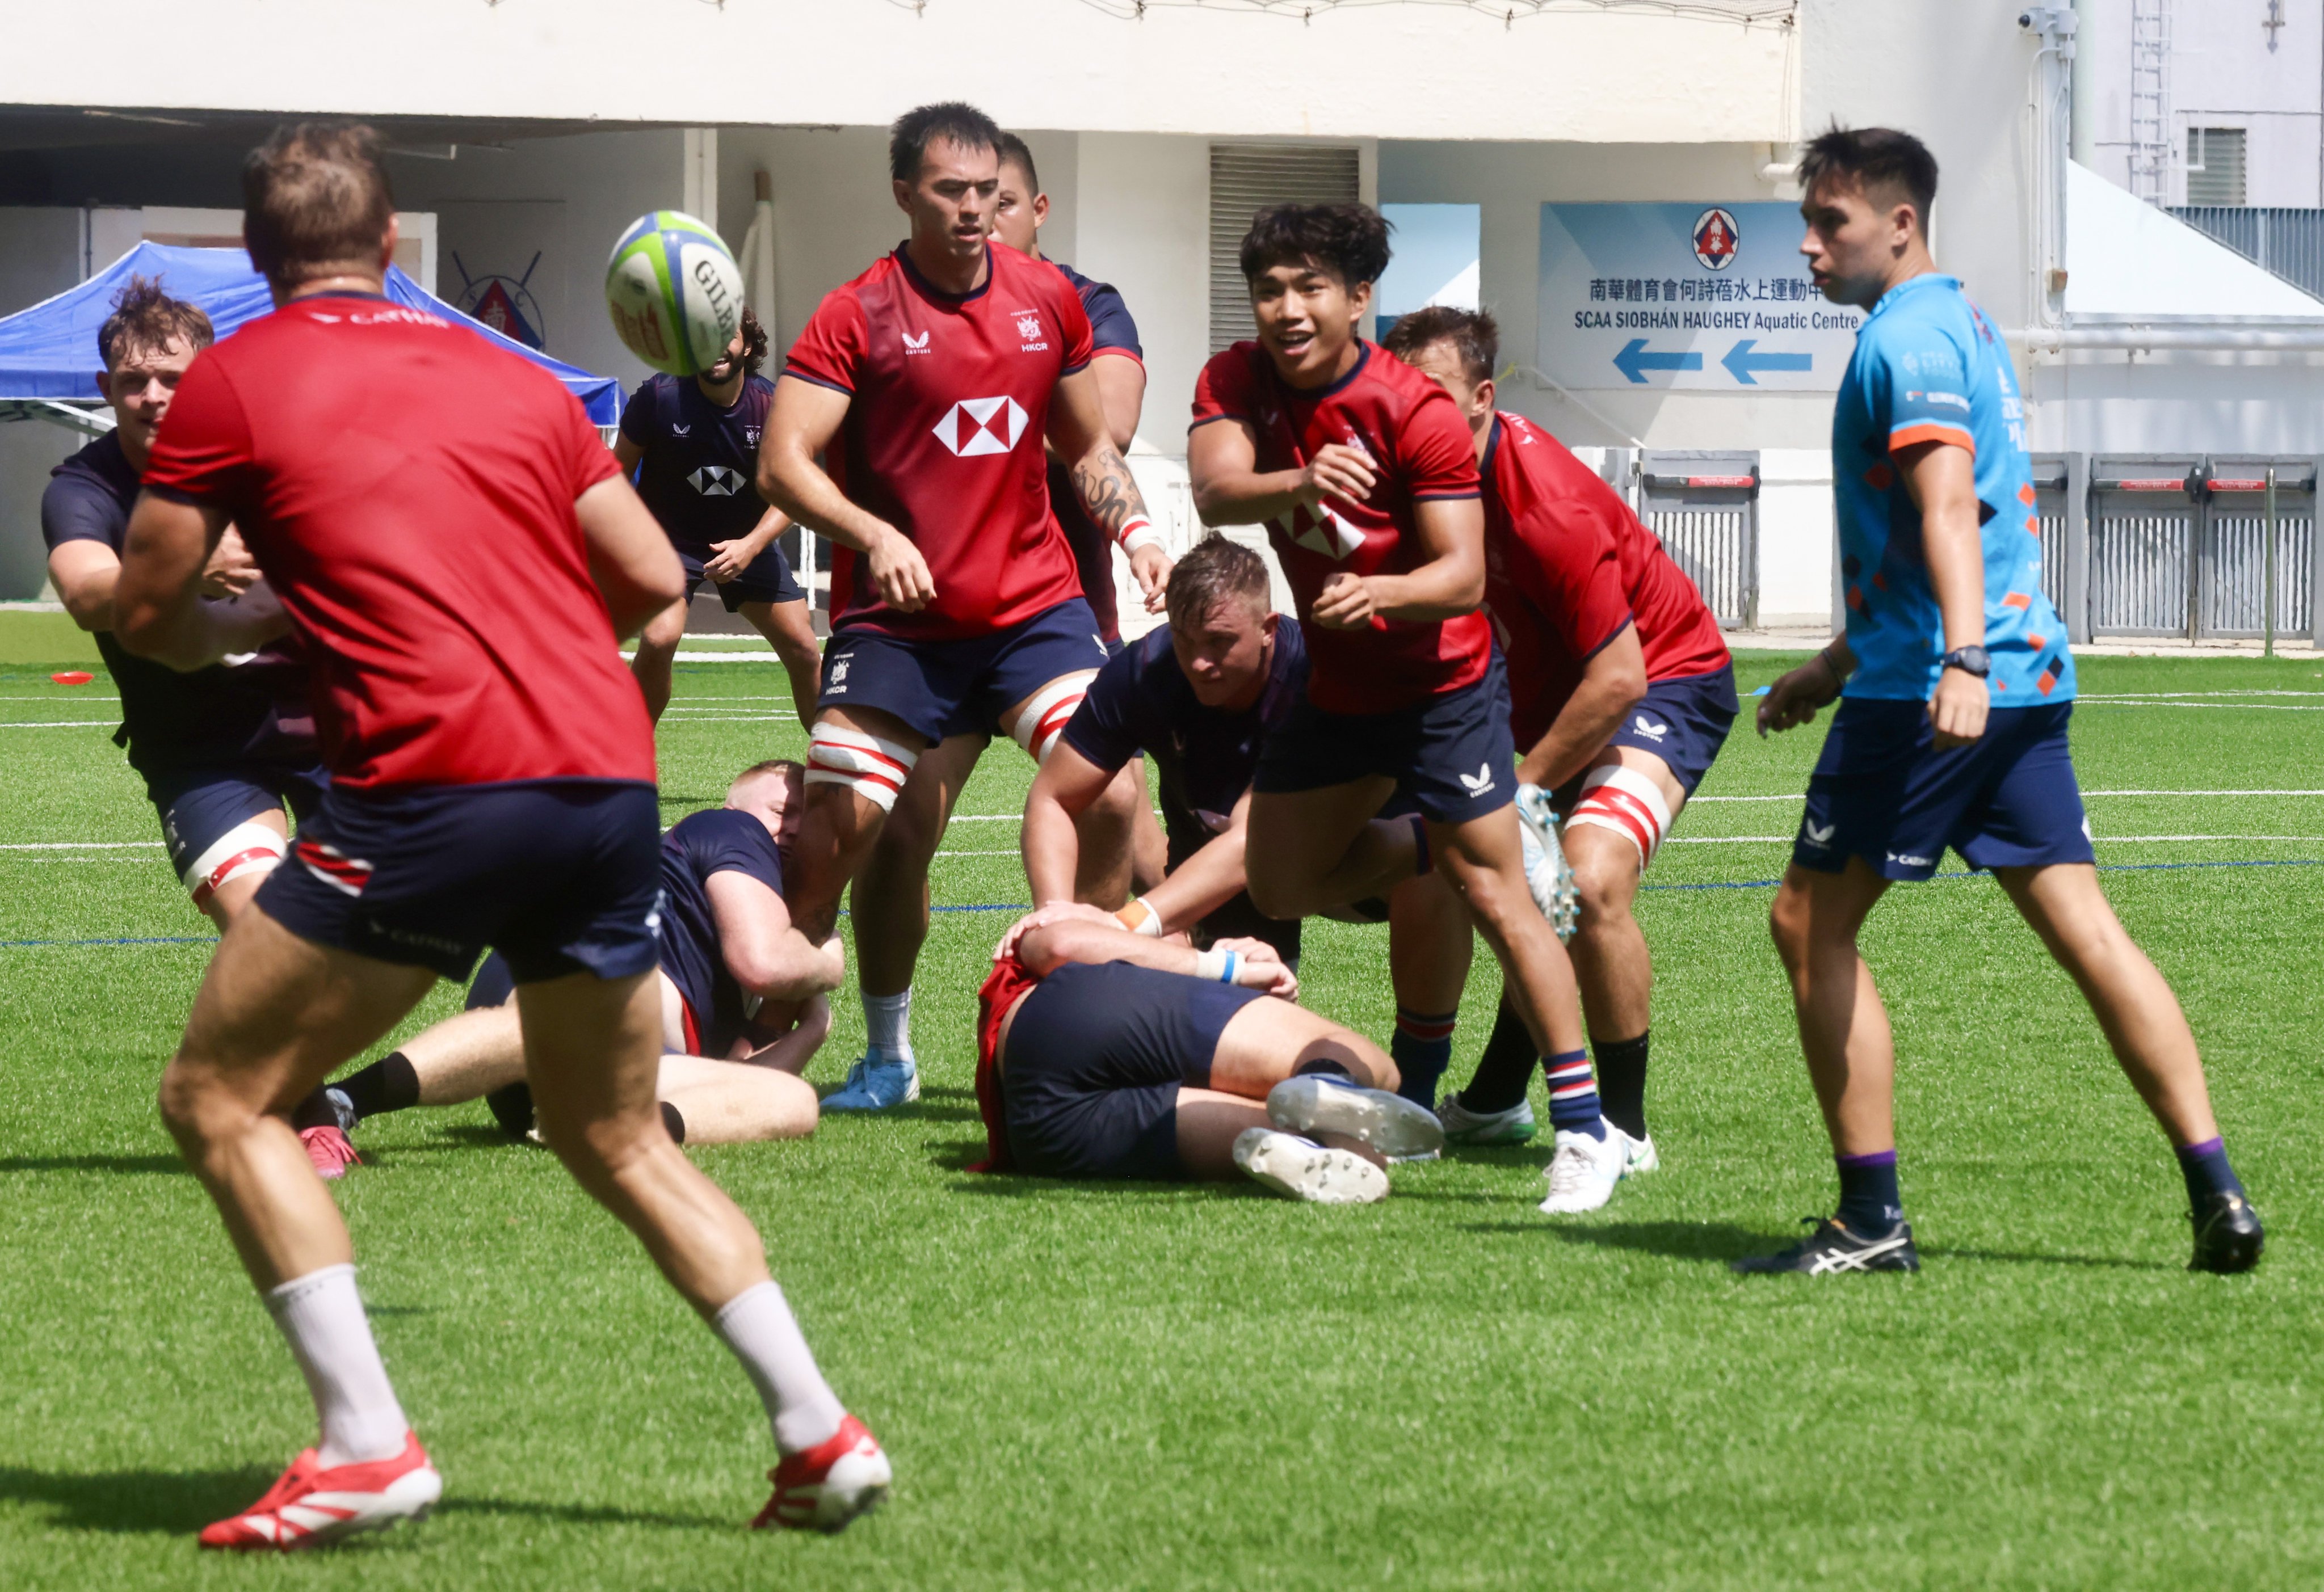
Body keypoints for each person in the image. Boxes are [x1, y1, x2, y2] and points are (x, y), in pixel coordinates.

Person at [114, 123, 888, 1549]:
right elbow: (649, 575)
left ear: (256, 258)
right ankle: (819, 1428)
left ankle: (366, 1445)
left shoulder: (235, 376)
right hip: (602, 777)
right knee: (613, 1133)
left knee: (217, 1095)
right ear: (389, 238)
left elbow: (153, 614)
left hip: (434, 784)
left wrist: (254, 615)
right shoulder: (509, 372)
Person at [1741, 125, 2262, 1276]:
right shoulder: (1962, 323)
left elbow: (1945, 511)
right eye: (1807, 223)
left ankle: (1869, 1220)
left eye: (1830, 222)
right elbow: (1923, 534)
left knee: (1808, 923)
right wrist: (1833, 664)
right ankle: (2216, 1187)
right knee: (2087, 931)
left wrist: (1958, 663)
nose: (1811, 246)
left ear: (1899, 224)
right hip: (2018, 682)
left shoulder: (1909, 335)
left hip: (1939, 696)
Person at [1186, 203, 1617, 1216]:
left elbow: (1462, 576)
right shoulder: (1234, 379)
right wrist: (1300, 478)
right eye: (1269, 290)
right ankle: (1432, 844)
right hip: (1337, 691)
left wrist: (1377, 593)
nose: (1287, 309)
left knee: (1500, 897)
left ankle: (1584, 1132)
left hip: (1440, 690)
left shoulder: (1412, 408)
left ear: (1358, 299)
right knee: (1278, 883)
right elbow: (1214, 491)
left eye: (1310, 287)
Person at [757, 101, 1171, 1113]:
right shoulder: (856, 312)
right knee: (855, 828)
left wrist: (1136, 533)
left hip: (1033, 613)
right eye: (951, 191)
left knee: (1113, 796)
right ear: (905, 194)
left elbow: (1087, 445)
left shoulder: (1048, 300)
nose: (974, 209)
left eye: (988, 191)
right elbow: (782, 464)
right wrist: (873, 534)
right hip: (900, 630)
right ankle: (876, 1052)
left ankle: (1084, 1019)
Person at [1384, 308, 1736, 1178]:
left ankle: (1622, 1129)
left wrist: (1524, 788)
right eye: (1399, 401)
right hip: (1536, 698)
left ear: (1482, 398)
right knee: (1449, 868)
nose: (1412, 419)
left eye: (1432, 398)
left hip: (1660, 679)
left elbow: (1617, 679)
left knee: (1586, 879)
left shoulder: (1545, 500)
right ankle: (1477, 1096)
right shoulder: (1406, 479)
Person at [39, 279, 359, 1179]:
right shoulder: (86, 486)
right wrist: (180, 564)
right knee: (265, 925)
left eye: (173, 378)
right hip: (201, 755)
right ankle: (304, 1111)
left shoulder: (276, 461)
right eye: (132, 381)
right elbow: (85, 590)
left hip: (334, 730)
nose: (153, 397)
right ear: (105, 391)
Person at [1020, 533, 1475, 1107]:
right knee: (1241, 1067)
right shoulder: (1145, 670)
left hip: (1354, 861)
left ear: (1268, 628)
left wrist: (1126, 924)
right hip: (1230, 880)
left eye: (1220, 642)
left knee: (1435, 867)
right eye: (1186, 641)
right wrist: (1055, 912)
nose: (1199, 662)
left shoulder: (1315, 673)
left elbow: (1251, 839)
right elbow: (1053, 797)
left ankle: (1416, 1090)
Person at [321, 760, 840, 1148]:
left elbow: (734, 1081)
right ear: (734, 810)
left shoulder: (773, 933)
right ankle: (337, 1101)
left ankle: (608, 1130)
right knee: (559, 1017)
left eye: (806, 818)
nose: (794, 827)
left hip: (614, 1067)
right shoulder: (732, 831)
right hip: (571, 982)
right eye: (781, 811)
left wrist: (814, 1028)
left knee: (793, 1102)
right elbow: (762, 963)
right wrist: (826, 965)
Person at [975, 903, 1444, 1201]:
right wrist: (1226, 968)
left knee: (1355, 1155)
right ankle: (1324, 1079)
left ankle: (1305, 1144)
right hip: (1070, 1011)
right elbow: (1059, 943)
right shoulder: (1110, 933)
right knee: (1374, 1066)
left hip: (1043, 1130)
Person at [991, 128, 1170, 892]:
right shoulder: (909, 306)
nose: (983, 221)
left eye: (1001, 202)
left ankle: (1168, 948)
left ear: (1038, 209)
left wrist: (967, 426)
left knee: (1126, 813)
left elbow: (1111, 427)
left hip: (1062, 604)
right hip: (935, 615)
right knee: (895, 829)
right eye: (965, 203)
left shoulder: (1088, 304)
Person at [615, 307, 822, 726]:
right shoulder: (658, 397)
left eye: (726, 335)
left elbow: (795, 494)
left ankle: (829, 761)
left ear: (747, 346)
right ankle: (626, 756)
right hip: (667, 546)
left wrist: (751, 546)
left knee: (804, 650)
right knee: (659, 639)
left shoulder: (773, 407)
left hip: (748, 544)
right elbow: (612, 477)